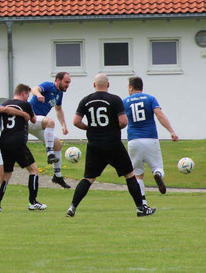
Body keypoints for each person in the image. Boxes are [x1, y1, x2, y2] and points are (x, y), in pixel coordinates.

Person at [66, 73, 156, 217]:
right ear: (108, 85)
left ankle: (72, 207)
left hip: (94, 145)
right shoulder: (114, 99)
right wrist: (113, 128)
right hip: (113, 144)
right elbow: (123, 121)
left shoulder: (86, 100)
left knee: (88, 178)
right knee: (130, 174)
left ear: (94, 85)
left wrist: (89, 128)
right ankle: (141, 208)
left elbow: (76, 121)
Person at [123, 76, 178, 205]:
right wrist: (171, 131)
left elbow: (120, 120)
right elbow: (159, 115)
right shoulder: (150, 99)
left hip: (133, 140)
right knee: (158, 167)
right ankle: (158, 174)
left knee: (137, 174)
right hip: (150, 138)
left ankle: (143, 202)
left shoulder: (124, 101)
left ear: (131, 87)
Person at [0, 84, 47, 211]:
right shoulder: (25, 105)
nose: (28, 98)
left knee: (6, 174)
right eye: (28, 95)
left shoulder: (5, 103)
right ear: (23, 93)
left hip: (4, 141)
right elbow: (34, 120)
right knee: (33, 170)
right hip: (18, 141)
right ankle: (33, 202)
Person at [29, 72, 71, 189]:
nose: (68, 85)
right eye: (66, 82)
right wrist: (38, 94)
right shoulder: (48, 86)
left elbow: (58, 109)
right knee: (50, 122)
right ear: (58, 80)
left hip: (39, 123)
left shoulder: (60, 94)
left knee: (57, 145)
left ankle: (57, 176)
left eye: (69, 83)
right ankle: (49, 153)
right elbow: (34, 88)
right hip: (29, 119)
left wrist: (64, 125)